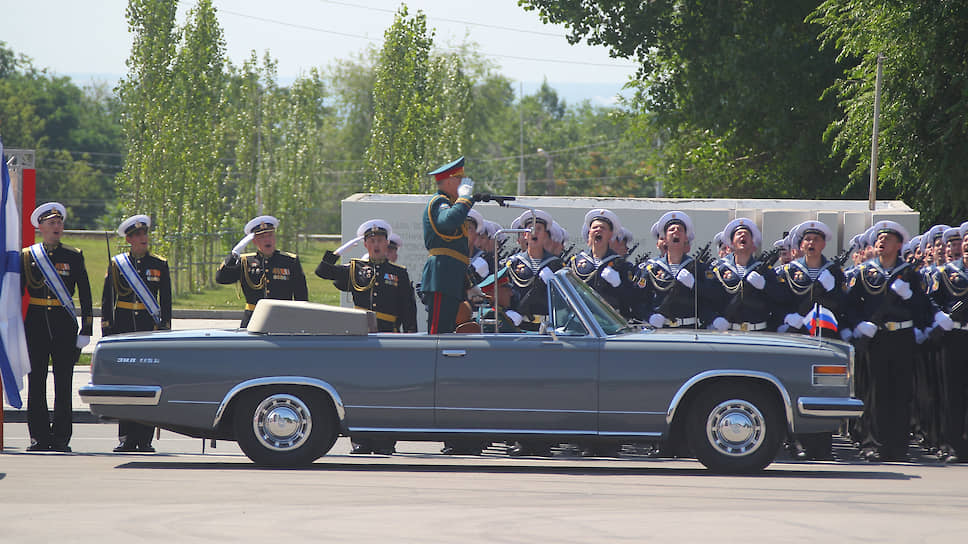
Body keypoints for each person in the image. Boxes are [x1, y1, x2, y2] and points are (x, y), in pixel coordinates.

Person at [845, 221, 944, 462]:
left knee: (901, 392)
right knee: (875, 393)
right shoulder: (864, 272)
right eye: (879, 239)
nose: (881, 242)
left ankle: (898, 446)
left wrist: (909, 296)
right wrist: (859, 324)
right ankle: (873, 444)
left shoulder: (910, 274)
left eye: (887, 239)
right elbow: (849, 305)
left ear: (899, 245)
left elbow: (923, 308)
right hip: (876, 337)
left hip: (902, 337)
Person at [20, 202, 93, 452]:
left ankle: (61, 438)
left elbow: (85, 294)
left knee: (64, 382)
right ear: (40, 227)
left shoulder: (73, 255)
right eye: (51, 223)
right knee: (36, 381)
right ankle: (39, 437)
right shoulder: (28, 256)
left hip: (64, 324)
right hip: (36, 323)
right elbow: (17, 294)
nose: (57, 227)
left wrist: (86, 329)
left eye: (59, 223)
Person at [773, 220, 846, 460]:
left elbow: (842, 305)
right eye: (807, 240)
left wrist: (828, 293)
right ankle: (798, 443)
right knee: (796, 389)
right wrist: (788, 317)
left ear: (824, 244)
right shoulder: (787, 271)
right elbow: (777, 303)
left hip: (824, 337)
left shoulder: (834, 272)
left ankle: (823, 444)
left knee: (824, 391)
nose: (811, 243)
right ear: (801, 245)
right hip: (798, 337)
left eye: (816, 240)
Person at [102, 215, 172, 453]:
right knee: (125, 384)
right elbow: (108, 299)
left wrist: (164, 329)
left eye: (145, 234)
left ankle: (145, 438)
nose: (144, 239)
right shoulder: (117, 264)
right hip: (123, 326)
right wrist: (107, 330)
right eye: (139, 236)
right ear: (130, 239)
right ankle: (126, 437)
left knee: (147, 383)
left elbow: (167, 301)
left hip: (148, 327)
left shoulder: (159, 264)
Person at [315, 219, 417, 334]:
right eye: (372, 241)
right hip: (360, 331)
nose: (376, 245)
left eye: (379, 241)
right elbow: (322, 271)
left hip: (388, 331)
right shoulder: (355, 268)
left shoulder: (399, 272)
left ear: (387, 243)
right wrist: (337, 254)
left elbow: (408, 309)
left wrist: (410, 334)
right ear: (365, 244)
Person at [421, 156, 480, 335]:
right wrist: (465, 199)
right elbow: (448, 221)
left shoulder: (450, 203)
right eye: (460, 179)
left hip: (450, 276)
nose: (463, 183)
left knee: (449, 330)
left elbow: (458, 252)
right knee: (438, 331)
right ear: (449, 181)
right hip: (442, 276)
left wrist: (469, 283)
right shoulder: (439, 202)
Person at [215, 215, 308, 327]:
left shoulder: (290, 261)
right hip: (253, 318)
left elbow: (301, 295)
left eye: (270, 235)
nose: (267, 240)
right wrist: (234, 255)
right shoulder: (245, 261)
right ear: (254, 241)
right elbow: (221, 278)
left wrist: (300, 321)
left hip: (283, 318)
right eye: (262, 237)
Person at [702, 218, 782, 332]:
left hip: (758, 332)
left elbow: (780, 298)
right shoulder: (718, 269)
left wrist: (765, 286)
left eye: (747, 234)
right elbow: (706, 300)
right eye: (739, 234)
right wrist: (713, 319)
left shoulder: (764, 271)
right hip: (727, 331)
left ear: (753, 243)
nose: (743, 236)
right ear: (731, 243)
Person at [632, 211, 705, 329]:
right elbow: (637, 300)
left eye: (680, 230)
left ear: (686, 238)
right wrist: (649, 316)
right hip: (660, 329)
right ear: (664, 239)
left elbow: (711, 298)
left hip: (689, 329)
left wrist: (695, 285)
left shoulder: (697, 268)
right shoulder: (651, 269)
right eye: (671, 230)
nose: (676, 231)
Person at [568, 208, 635, 318]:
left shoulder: (621, 265)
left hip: (611, 321)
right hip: (581, 320)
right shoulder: (575, 262)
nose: (598, 230)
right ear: (589, 232)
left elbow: (632, 299)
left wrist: (619, 285)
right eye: (594, 227)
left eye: (603, 228)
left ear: (610, 235)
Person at [504, 209, 563, 332]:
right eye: (530, 228)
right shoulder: (513, 263)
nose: (534, 232)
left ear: (545, 235)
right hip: (519, 325)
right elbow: (504, 291)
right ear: (525, 235)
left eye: (539, 229)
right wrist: (507, 311)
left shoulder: (555, 265)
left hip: (548, 327)